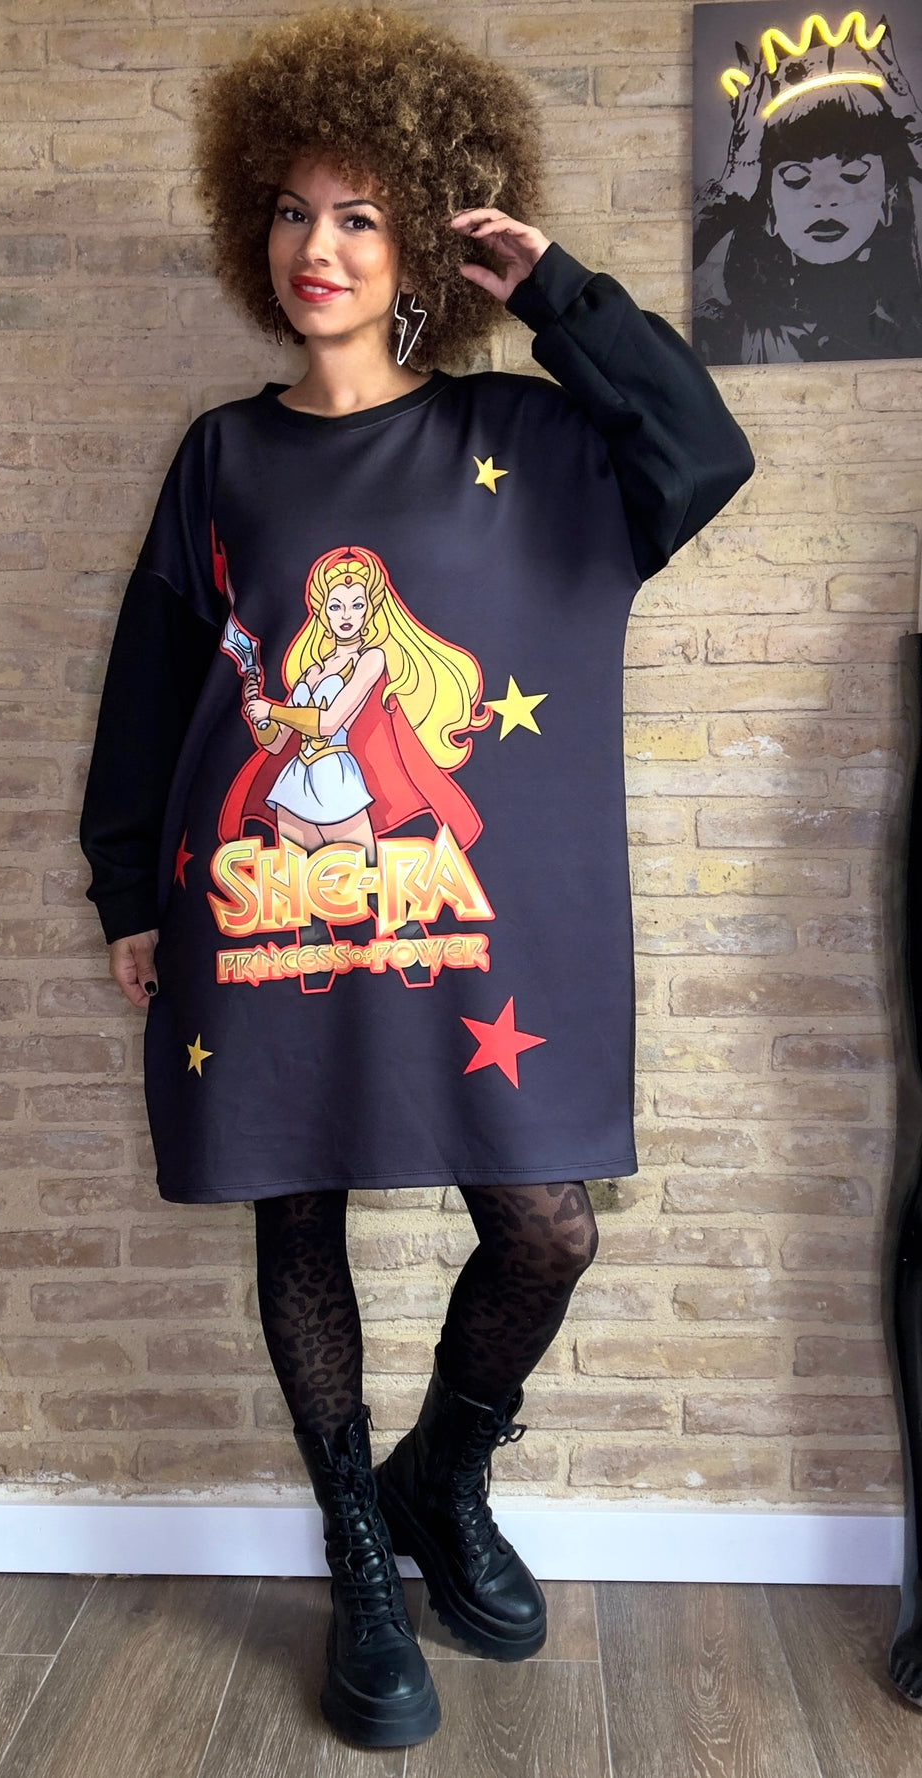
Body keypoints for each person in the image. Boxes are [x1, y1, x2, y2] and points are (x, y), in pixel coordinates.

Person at [79, 3, 754, 1750]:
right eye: (293, 211)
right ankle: (359, 1561)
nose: (318, 246)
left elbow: (704, 452)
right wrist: (127, 889)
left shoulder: (532, 438)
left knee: (546, 1224)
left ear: (425, 241)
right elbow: (154, 685)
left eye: (362, 214)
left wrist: (560, 294)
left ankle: (439, 1473)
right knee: (297, 1208)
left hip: (472, 925)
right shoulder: (224, 455)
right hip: (269, 904)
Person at [693, 13, 922, 362]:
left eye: (854, 173)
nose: (826, 199)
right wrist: (738, 177)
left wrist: (915, 133)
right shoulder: (719, 334)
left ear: (888, 199)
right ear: (769, 210)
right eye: (797, 178)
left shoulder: (912, 327)